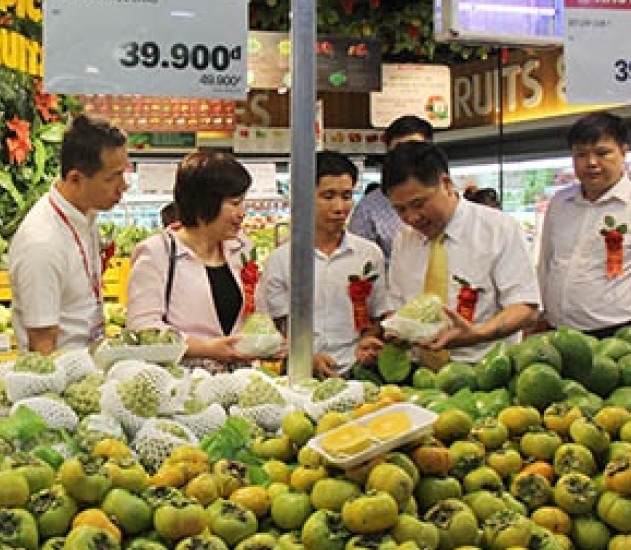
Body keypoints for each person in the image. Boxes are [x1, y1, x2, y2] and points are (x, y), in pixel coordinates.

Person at [381, 141, 540, 364]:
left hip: (485, 370)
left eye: (419, 204)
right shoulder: (404, 240)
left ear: (446, 184)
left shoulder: (499, 229)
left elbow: (525, 308)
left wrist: (478, 334)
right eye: (400, 209)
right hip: (420, 373)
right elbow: (396, 306)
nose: (412, 218)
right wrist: (396, 332)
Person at [537, 112, 631, 339]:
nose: (591, 163)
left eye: (602, 153)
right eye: (581, 154)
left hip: (616, 336)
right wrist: (537, 314)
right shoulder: (560, 203)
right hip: (557, 332)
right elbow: (546, 262)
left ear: (623, 152)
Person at [9, 114, 130, 354]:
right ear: (75, 179)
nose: (123, 186)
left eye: (123, 173)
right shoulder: (42, 242)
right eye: (112, 178)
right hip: (63, 373)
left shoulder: (86, 216)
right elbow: (42, 345)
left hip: (90, 364)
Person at [260, 151, 387, 378]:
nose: (339, 207)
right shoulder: (282, 259)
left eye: (346, 196)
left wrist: (368, 342)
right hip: (300, 372)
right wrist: (306, 357)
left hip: (356, 371)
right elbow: (276, 325)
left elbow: (378, 314)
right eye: (328, 196)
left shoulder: (369, 255)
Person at [127, 150, 256, 369]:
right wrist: (206, 347)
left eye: (243, 202)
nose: (242, 213)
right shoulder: (157, 253)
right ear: (206, 204)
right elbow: (142, 327)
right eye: (235, 203)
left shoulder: (241, 249)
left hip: (239, 380)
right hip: (181, 380)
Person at [348, 115, 434, 262]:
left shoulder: (445, 199)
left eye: (415, 150)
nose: (406, 159)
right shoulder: (368, 208)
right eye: (398, 152)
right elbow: (359, 261)